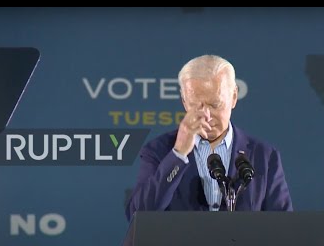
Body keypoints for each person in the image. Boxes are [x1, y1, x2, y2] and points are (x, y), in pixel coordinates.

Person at [125, 54, 292, 221]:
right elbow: (137, 216)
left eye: (215, 105)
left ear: (234, 97)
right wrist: (178, 154)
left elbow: (283, 227)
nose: (206, 116)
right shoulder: (159, 151)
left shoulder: (264, 156)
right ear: (184, 101)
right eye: (196, 105)